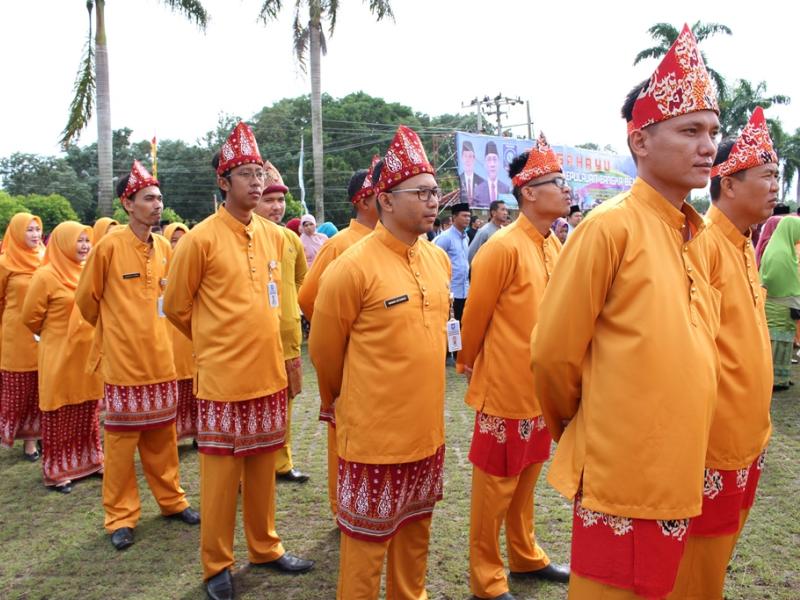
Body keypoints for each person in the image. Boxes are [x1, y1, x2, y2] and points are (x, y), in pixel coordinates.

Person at [531, 25, 722, 599]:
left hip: (677, 468)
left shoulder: (694, 232)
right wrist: (588, 430)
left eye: (713, 131)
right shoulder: (609, 227)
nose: (708, 145)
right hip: (623, 473)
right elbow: (551, 355)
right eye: (690, 131)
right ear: (640, 141)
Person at [164, 122, 313, 600]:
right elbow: (176, 306)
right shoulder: (200, 239)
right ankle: (216, 565)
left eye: (259, 173)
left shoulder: (274, 236)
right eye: (245, 174)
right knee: (221, 479)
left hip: (268, 373)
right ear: (224, 182)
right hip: (223, 380)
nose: (256, 182)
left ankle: (266, 547)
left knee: (263, 470)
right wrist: (214, 342)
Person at [309, 125, 450, 599]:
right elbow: (325, 353)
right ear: (385, 200)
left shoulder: (437, 261)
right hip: (373, 438)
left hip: (426, 431)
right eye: (421, 193)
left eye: (435, 193)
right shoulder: (350, 267)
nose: (433, 202)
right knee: (366, 552)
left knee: (415, 540)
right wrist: (341, 403)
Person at [667, 107, 776, 599]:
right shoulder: (703, 245)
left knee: (717, 558)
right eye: (767, 175)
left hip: (746, 436)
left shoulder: (743, 244)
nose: (776, 185)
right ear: (728, 184)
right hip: (712, 443)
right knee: (699, 565)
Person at [459, 134, 571, 600]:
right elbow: (475, 316)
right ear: (528, 192)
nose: (565, 191)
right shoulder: (502, 247)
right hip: (504, 390)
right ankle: (486, 575)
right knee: (494, 491)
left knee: (526, 482)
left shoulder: (552, 246)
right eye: (556, 183)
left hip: (538, 391)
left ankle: (524, 554)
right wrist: (468, 363)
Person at [75, 160, 198, 552]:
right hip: (123, 365)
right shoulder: (108, 247)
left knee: (164, 439)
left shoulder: (165, 247)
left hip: (162, 361)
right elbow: (85, 301)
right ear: (128, 204)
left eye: (160, 198)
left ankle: (172, 501)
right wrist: (116, 332)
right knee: (121, 447)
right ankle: (121, 516)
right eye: (148, 198)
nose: (157, 205)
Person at [298, 158, 381, 516]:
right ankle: (340, 505)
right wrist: (340, 336)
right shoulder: (340, 244)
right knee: (342, 430)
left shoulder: (391, 242)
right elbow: (307, 298)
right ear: (364, 201)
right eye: (385, 191)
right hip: (348, 359)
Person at [21, 221, 104, 493]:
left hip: (86, 352)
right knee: (59, 409)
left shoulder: (87, 271)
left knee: (87, 407)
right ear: (62, 243)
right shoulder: (45, 275)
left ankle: (91, 461)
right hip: (58, 353)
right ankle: (58, 471)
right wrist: (56, 333)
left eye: (86, 240)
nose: (83, 246)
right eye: (77, 240)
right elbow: (30, 317)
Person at [254, 160, 309, 484]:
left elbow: (302, 277)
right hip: (254, 339)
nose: (276, 207)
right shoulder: (244, 237)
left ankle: (282, 463)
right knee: (255, 405)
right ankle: (252, 469)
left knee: (285, 402)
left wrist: (289, 307)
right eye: (269, 200)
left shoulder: (290, 239)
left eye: (280, 200)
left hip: (286, 334)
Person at [0, 212, 44, 459]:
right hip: (16, 334)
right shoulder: (5, 263)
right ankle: (28, 441)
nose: (35, 235)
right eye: (29, 230)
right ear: (16, 232)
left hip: (43, 332)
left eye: (37, 229)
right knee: (23, 388)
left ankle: (43, 435)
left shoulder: (47, 257)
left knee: (43, 386)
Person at [162, 222, 196, 444]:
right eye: (173, 240)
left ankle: (196, 433)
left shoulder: (193, 266)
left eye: (182, 238)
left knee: (193, 389)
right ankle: (173, 435)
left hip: (191, 338)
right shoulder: (158, 267)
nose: (178, 244)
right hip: (168, 338)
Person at [760, 216, 800, 390]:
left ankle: (781, 377)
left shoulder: (784, 249)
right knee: (776, 342)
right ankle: (773, 380)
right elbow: (774, 279)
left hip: (785, 304)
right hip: (779, 303)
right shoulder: (780, 253)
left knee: (784, 343)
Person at [434, 202, 471, 325]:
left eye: (469, 216)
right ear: (454, 218)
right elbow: (434, 259)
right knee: (450, 327)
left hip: (464, 290)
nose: (467, 219)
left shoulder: (466, 238)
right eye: (464, 216)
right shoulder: (445, 237)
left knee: (462, 324)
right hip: (450, 292)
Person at [475, 142, 510, 206]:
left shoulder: (505, 189)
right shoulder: (478, 190)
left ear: (499, 163)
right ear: (485, 164)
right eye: (489, 160)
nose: (492, 164)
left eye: (495, 159)